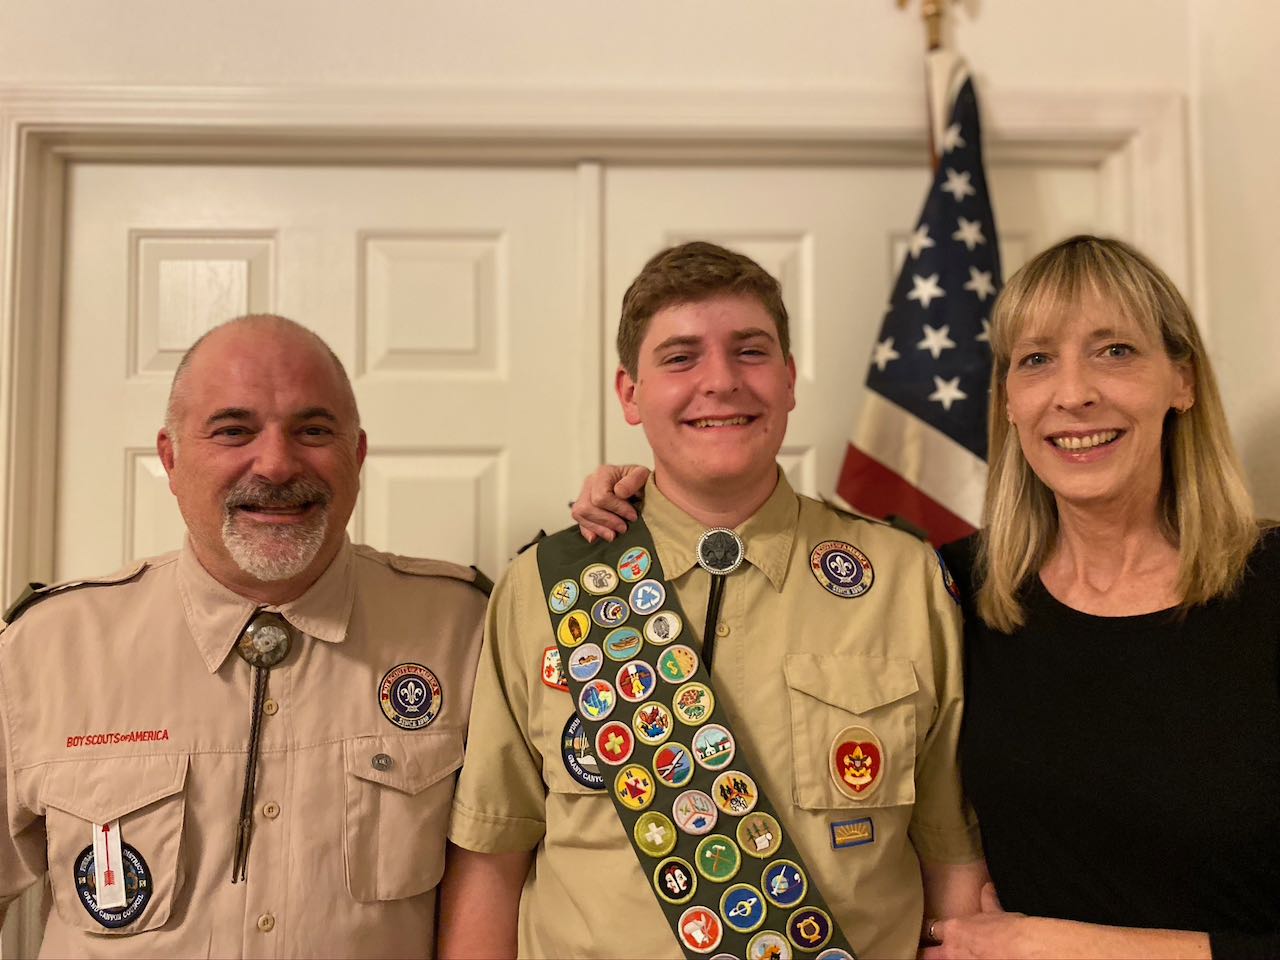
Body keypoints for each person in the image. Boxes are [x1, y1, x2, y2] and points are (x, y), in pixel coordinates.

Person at [440, 241, 986, 960]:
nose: (721, 381)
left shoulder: (902, 580)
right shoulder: (546, 588)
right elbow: (493, 853)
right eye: (680, 357)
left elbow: (951, 855)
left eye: (751, 352)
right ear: (630, 394)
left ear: (790, 380)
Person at [0, 315, 488, 956]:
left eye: (313, 431)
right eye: (234, 431)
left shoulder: (463, 629)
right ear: (170, 458)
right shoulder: (46, 649)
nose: (278, 463)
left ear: (358, 455)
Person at [928, 235, 1280, 959]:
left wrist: (1057, 946)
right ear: (1009, 404)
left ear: (1181, 380)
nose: (1073, 392)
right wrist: (642, 507)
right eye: (1036, 359)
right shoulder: (952, 589)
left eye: (1114, 350)